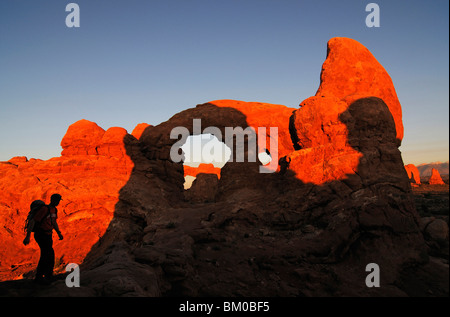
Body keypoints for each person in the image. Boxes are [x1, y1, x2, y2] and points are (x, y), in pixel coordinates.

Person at [23, 194, 64, 284]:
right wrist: (28, 236)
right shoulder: (45, 209)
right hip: (41, 234)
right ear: (52, 199)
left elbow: (53, 222)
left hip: (48, 234)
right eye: (56, 200)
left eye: (59, 200)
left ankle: (47, 275)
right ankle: (40, 276)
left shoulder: (54, 210)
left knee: (49, 254)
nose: (57, 202)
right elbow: (33, 221)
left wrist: (59, 233)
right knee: (46, 253)